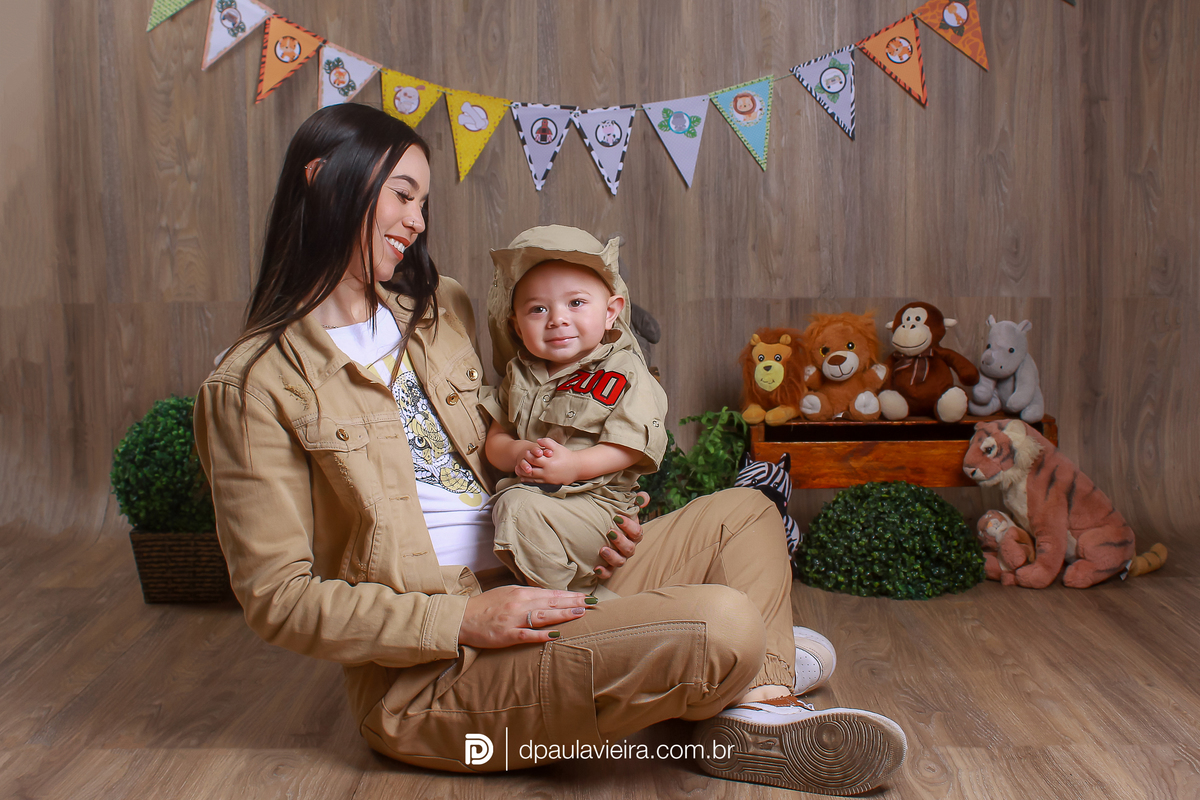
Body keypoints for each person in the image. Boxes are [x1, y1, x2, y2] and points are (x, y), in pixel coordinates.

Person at [192, 103, 906, 796]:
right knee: (724, 620)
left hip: (542, 573)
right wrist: (464, 619)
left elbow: (544, 397)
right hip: (441, 675)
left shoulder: (442, 306)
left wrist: (586, 515)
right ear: (321, 178)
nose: (416, 221)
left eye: (423, 202)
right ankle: (737, 681)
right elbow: (277, 601)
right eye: (401, 194)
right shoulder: (252, 384)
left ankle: (752, 700)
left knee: (746, 514)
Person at [481, 225, 669, 600]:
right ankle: (576, 597)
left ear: (611, 312)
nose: (557, 319)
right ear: (517, 325)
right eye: (538, 309)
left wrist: (575, 466)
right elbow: (497, 437)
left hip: (598, 504)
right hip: (537, 502)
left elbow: (631, 446)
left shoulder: (624, 370)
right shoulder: (519, 374)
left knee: (517, 509)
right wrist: (517, 451)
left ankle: (570, 601)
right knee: (516, 507)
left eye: (577, 303)